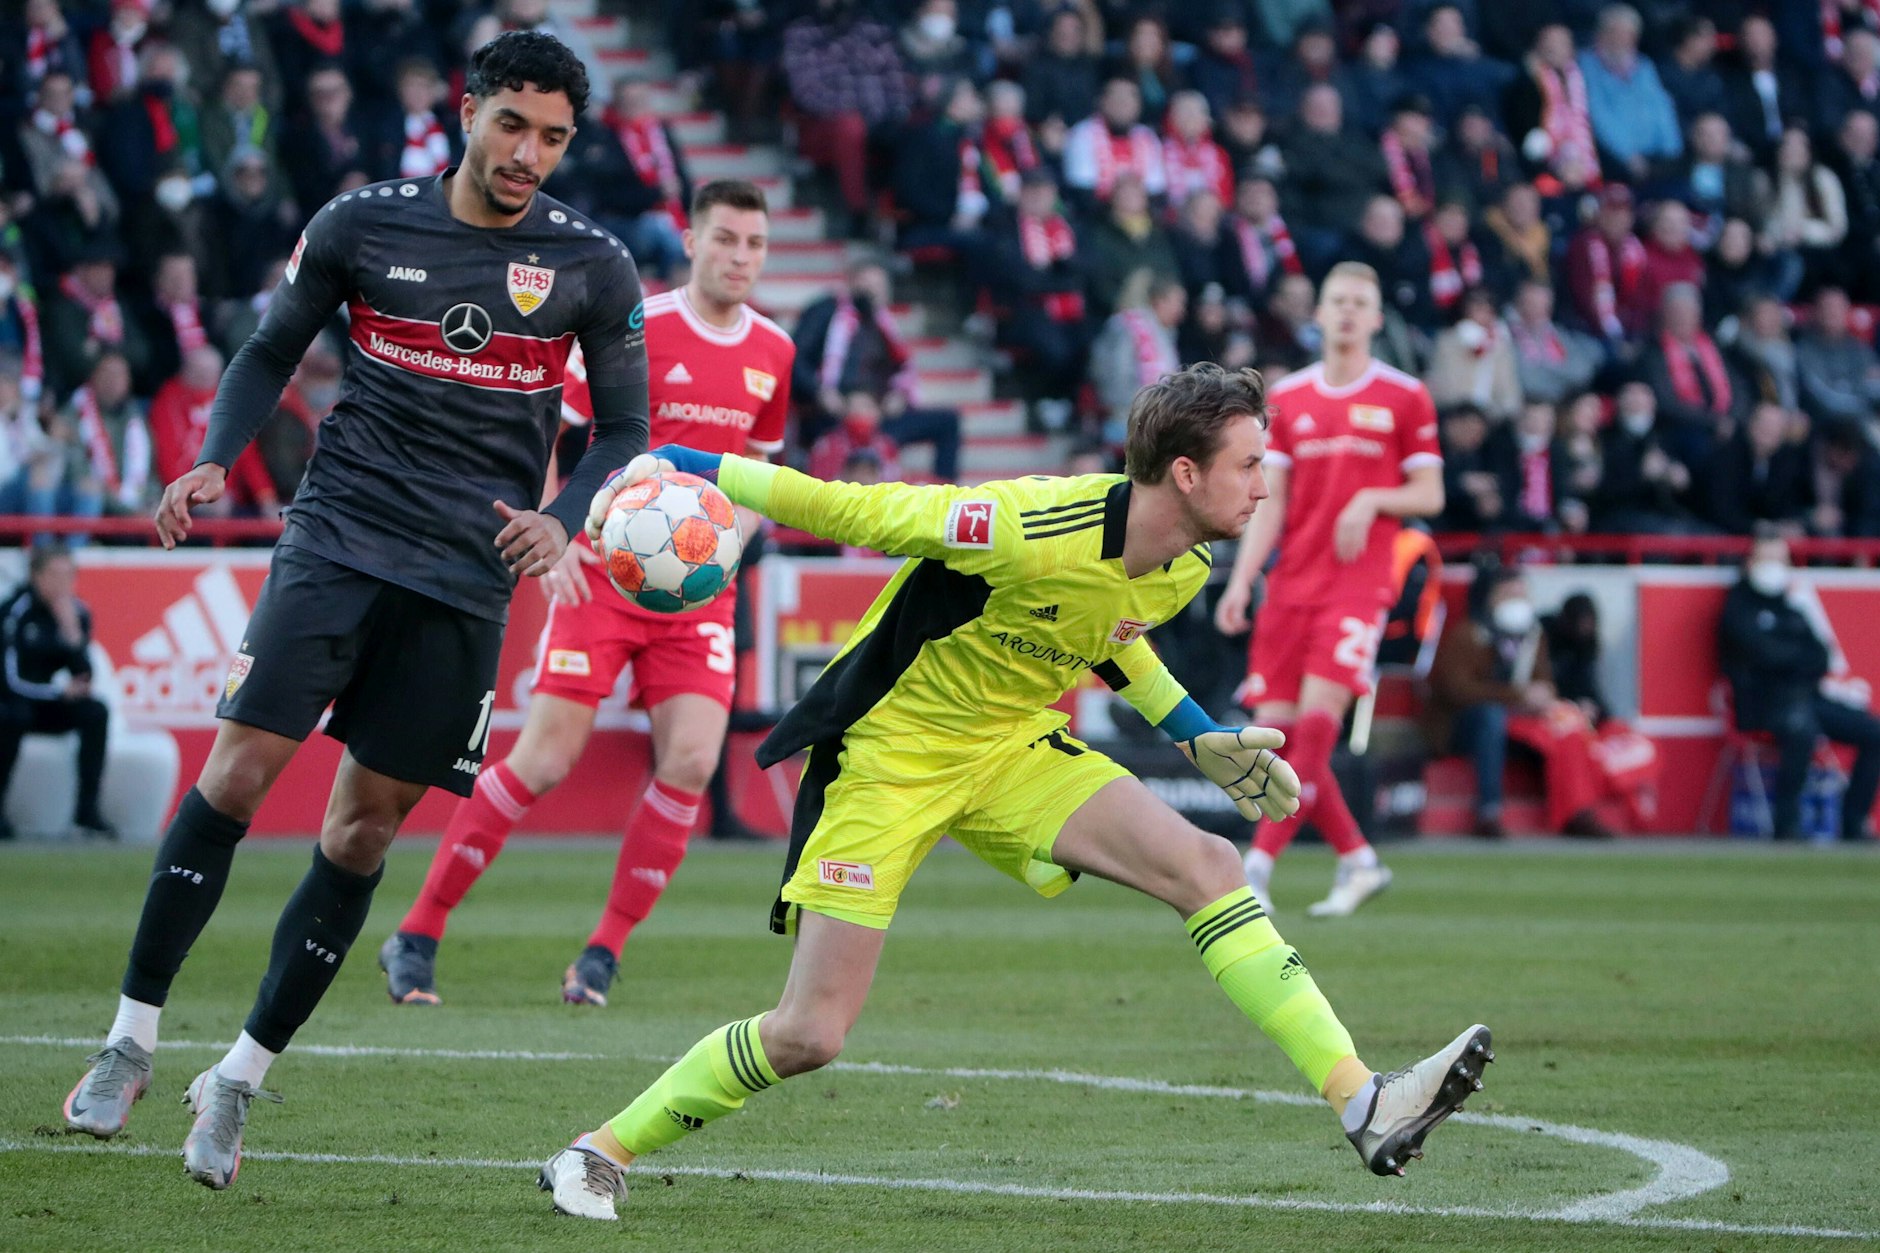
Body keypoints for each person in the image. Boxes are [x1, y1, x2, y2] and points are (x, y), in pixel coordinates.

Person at [536, 363, 1494, 1221]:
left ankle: (1363, 1100)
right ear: (1187, 474)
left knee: (1209, 862)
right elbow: (848, 509)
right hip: (890, 757)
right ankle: (599, 1149)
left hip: (1013, 749)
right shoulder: (1026, 524)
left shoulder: (1188, 561)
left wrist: (1194, 733)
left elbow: (1112, 633)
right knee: (810, 1033)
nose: (1265, 483)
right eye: (1249, 463)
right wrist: (683, 457)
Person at [58, 32, 650, 1190]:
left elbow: (622, 429)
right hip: (337, 536)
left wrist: (565, 515)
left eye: (553, 137)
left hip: (466, 577)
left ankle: (236, 1076)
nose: (531, 154)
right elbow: (271, 344)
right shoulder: (359, 222)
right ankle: (129, 1034)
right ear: (467, 111)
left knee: (362, 831)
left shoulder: (592, 264)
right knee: (234, 776)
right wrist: (214, 456)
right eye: (513, 125)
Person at [379, 180, 792, 1007]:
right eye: (725, 239)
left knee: (690, 759)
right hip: (604, 570)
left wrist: (733, 546)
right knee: (545, 759)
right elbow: (553, 431)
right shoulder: (643, 325)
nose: (740, 256)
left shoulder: (774, 350)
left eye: (754, 243)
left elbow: (763, 467)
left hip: (698, 594)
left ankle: (602, 953)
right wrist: (554, 530)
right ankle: (417, 930)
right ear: (692, 240)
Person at [1214, 262, 1444, 919]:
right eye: (1336, 300)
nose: (1346, 312)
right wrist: (1243, 579)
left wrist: (1372, 497)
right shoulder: (1288, 396)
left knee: (1315, 726)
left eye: (1359, 303)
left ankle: (1255, 868)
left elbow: (1430, 492)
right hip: (1291, 585)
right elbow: (1270, 502)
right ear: (1318, 313)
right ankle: (1359, 859)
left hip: (1359, 584)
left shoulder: (1405, 395)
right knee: (1283, 739)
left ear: (1376, 318)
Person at [1422, 565, 1616, 839]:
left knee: (1566, 722)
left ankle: (1579, 811)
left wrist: (1547, 698)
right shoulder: (1468, 634)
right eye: (1510, 594)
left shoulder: (1534, 637)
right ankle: (1489, 811)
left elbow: (1543, 682)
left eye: (1522, 595)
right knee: (1490, 716)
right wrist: (1519, 695)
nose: (1518, 602)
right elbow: (1458, 691)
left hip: (1517, 721)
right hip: (1464, 726)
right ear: (1492, 598)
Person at [1719, 535, 1880, 842]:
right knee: (1800, 731)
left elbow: (1820, 656)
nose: (1774, 568)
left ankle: (1853, 823)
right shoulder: (1737, 608)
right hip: (1762, 705)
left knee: (1874, 733)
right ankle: (1787, 826)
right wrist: (1792, 657)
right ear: (1750, 563)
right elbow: (1759, 653)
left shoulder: (1791, 608)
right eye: (1767, 560)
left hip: (1808, 697)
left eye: (1780, 560)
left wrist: (1786, 656)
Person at [0, 540, 111, 842]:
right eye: (55, 575)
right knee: (12, 716)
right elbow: (11, 681)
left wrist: (72, 635)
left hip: (48, 702)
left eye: (69, 575)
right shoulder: (15, 613)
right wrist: (58, 693)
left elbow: (84, 676)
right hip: (13, 701)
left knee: (95, 712)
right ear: (36, 576)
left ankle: (86, 814)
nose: (63, 584)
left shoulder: (75, 612)